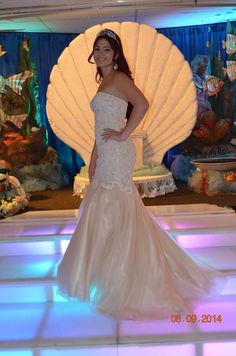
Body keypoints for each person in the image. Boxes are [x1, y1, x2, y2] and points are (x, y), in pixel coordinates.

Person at [57, 29, 226, 320]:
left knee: (115, 207)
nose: (100, 54)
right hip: (106, 151)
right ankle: (109, 271)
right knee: (107, 207)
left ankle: (126, 279)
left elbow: (143, 104)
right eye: (97, 49)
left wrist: (124, 134)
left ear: (116, 53)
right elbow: (101, 124)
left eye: (106, 49)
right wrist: (95, 153)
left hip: (118, 152)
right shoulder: (104, 81)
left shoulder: (120, 79)